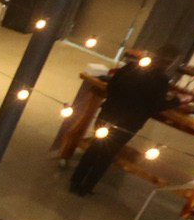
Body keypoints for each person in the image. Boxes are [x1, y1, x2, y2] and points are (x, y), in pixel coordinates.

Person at [69, 46, 182, 196]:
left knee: (95, 147)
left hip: (108, 113)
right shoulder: (161, 80)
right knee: (108, 153)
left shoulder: (131, 67)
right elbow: (155, 106)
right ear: (171, 63)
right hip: (129, 123)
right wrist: (177, 101)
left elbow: (112, 85)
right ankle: (87, 187)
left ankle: (75, 182)